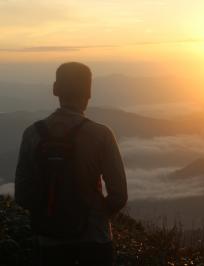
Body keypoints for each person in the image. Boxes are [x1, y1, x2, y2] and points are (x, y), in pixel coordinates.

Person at [14, 62, 128, 266]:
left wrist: (51, 213)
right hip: (94, 241)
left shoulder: (32, 134)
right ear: (89, 92)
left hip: (48, 242)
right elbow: (119, 195)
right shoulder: (101, 135)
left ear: (55, 89)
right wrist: (97, 215)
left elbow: (22, 194)